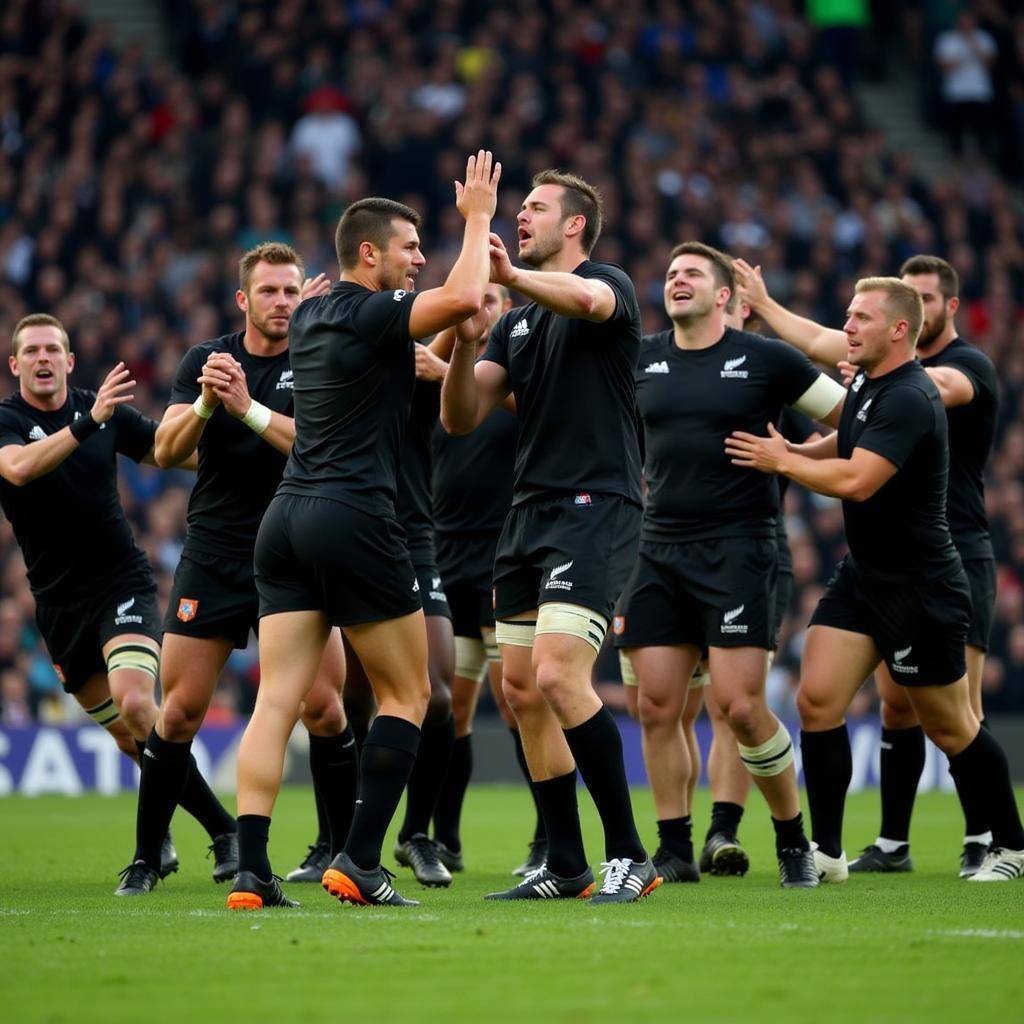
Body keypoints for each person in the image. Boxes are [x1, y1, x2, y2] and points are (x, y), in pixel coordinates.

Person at [226, 150, 500, 910]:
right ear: (370, 254)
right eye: (410, 248)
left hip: (287, 519)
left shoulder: (313, 314)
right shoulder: (364, 308)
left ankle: (252, 873)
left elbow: (439, 337)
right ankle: (360, 860)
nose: (420, 260)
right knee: (409, 693)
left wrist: (458, 339)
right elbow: (465, 291)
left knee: (277, 700)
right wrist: (477, 216)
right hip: (356, 517)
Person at [725, 276, 1024, 884]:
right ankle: (829, 854)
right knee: (816, 702)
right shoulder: (866, 377)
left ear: (898, 331)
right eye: (849, 314)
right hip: (865, 577)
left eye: (860, 318)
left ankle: (1012, 847)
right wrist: (763, 304)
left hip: (922, 587)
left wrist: (783, 461)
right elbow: (823, 366)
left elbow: (860, 480)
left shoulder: (912, 395)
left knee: (951, 726)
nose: (848, 326)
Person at [442, 170, 659, 904]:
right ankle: (565, 863)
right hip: (528, 513)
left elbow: (589, 302)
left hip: (596, 505)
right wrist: (464, 343)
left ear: (574, 226)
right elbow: (463, 416)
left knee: (562, 677)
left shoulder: (608, 284)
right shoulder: (517, 322)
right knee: (522, 692)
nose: (521, 217)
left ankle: (631, 853)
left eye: (534, 208)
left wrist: (508, 278)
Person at [114, 243, 354, 896]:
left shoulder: (320, 354)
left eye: (291, 290)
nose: (281, 302)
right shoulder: (207, 362)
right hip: (216, 554)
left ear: (305, 295)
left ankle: (335, 849)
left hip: (297, 555)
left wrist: (246, 404)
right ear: (244, 300)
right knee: (179, 712)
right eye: (269, 291)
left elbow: (319, 443)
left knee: (326, 708)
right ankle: (145, 856)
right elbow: (162, 452)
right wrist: (203, 403)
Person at [613, 242, 845, 888]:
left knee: (740, 708)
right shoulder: (644, 359)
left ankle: (793, 838)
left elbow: (858, 416)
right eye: (669, 273)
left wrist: (793, 461)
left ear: (725, 296)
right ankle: (674, 847)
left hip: (743, 548)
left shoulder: (768, 358)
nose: (676, 280)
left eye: (691, 273)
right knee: (657, 707)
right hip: (658, 549)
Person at [0, 313, 231, 894]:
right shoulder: (8, 422)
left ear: (70, 360)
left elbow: (168, 451)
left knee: (136, 704)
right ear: (16, 364)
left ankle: (189, 843)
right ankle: (203, 827)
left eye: (54, 348)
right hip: (57, 605)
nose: (44, 358)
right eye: (32, 351)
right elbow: (19, 469)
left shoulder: (100, 407)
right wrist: (88, 424)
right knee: (132, 739)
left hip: (120, 582)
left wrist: (228, 442)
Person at [428, 283, 548, 877]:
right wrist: (445, 364)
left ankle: (548, 837)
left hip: (505, 553)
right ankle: (444, 838)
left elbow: (542, 415)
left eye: (493, 300)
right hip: (442, 553)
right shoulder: (435, 379)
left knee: (517, 700)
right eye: (472, 301)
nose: (481, 307)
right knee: (450, 707)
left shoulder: (519, 378)